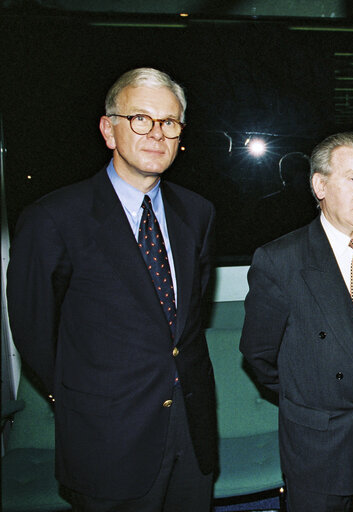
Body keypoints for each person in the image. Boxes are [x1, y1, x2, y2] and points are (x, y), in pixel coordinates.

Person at [6, 67, 217, 511]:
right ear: (108, 129)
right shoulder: (54, 217)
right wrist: (81, 394)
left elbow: (187, 319)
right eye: (141, 118)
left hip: (191, 433)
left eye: (170, 123)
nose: (157, 134)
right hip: (107, 438)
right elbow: (33, 330)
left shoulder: (198, 213)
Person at [239, 132, 353, 512]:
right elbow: (259, 355)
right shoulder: (281, 261)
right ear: (320, 185)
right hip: (322, 445)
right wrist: (313, 397)